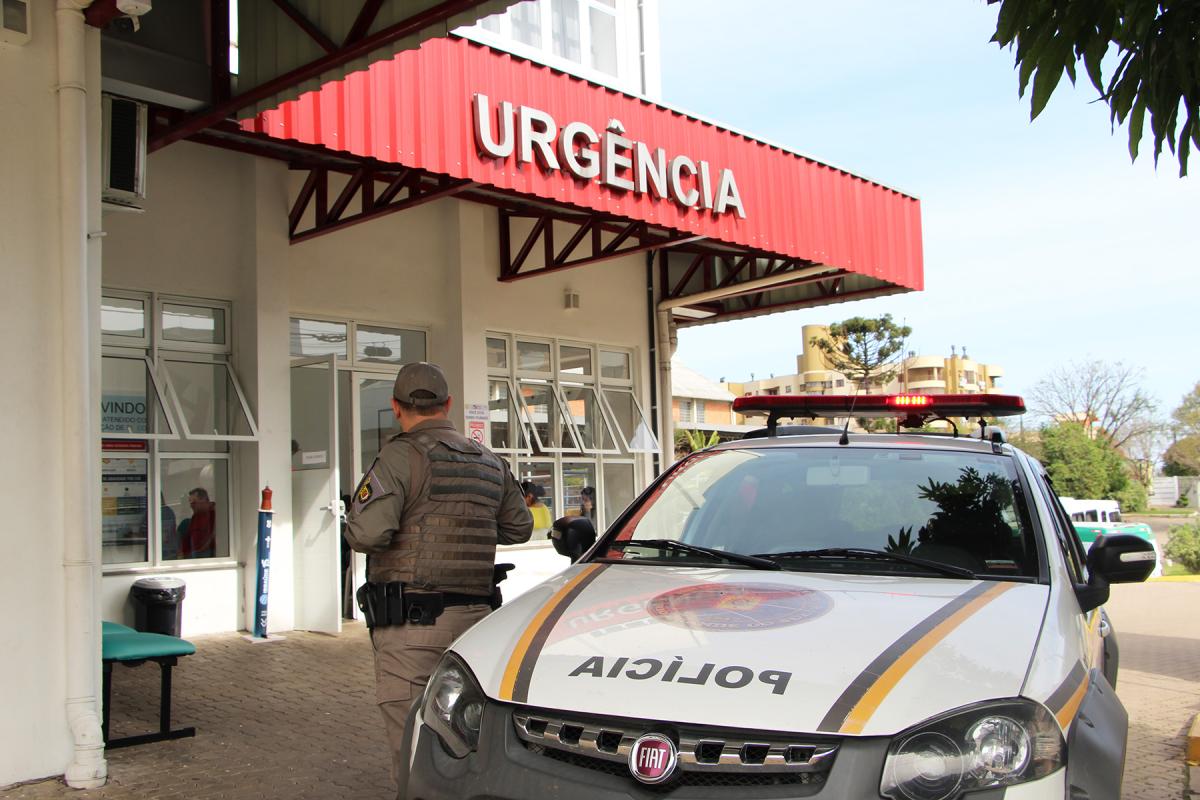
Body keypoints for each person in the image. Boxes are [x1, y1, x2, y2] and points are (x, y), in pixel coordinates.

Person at [343, 362, 532, 788]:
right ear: (448, 405)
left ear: (396, 406)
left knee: (413, 753)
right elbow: (519, 527)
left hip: (412, 629)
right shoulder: (488, 460)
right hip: (478, 625)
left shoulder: (399, 455)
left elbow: (367, 533)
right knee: (470, 743)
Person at [179, 487, 216, 558]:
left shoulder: (215, 514)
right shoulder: (196, 516)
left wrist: (200, 551)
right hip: (193, 556)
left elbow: (213, 536)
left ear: (203, 500)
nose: (191, 506)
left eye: (193, 503)